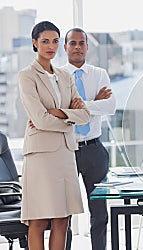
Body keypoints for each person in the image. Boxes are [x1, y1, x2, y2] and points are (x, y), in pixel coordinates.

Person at [18, 21, 89, 250]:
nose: (51, 46)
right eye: (45, 41)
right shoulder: (27, 76)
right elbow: (39, 119)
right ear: (35, 43)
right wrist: (70, 117)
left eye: (55, 41)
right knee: (39, 219)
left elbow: (85, 114)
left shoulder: (64, 75)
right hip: (41, 156)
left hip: (65, 154)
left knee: (62, 218)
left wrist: (59, 113)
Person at [62, 27, 116, 250]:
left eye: (81, 43)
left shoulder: (99, 74)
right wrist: (94, 103)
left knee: (99, 213)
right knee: (64, 213)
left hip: (95, 150)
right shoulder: (57, 75)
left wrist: (82, 105)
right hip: (66, 151)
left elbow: (110, 106)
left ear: (87, 46)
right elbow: (59, 112)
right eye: (72, 43)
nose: (77, 47)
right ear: (65, 47)